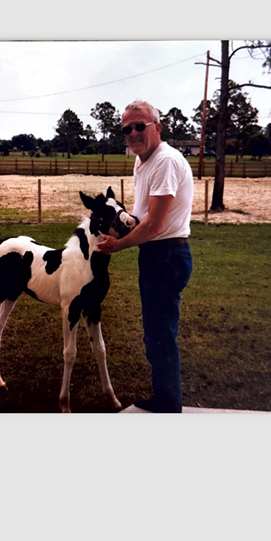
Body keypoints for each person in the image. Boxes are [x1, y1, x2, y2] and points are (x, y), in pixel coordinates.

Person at [97, 100, 193, 412]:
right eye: (127, 129)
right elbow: (141, 216)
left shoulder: (165, 161)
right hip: (156, 255)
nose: (134, 133)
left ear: (157, 128)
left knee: (161, 335)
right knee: (156, 334)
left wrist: (117, 246)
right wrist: (121, 230)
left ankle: (168, 406)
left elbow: (153, 225)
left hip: (166, 255)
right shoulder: (142, 162)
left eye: (141, 126)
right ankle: (165, 399)